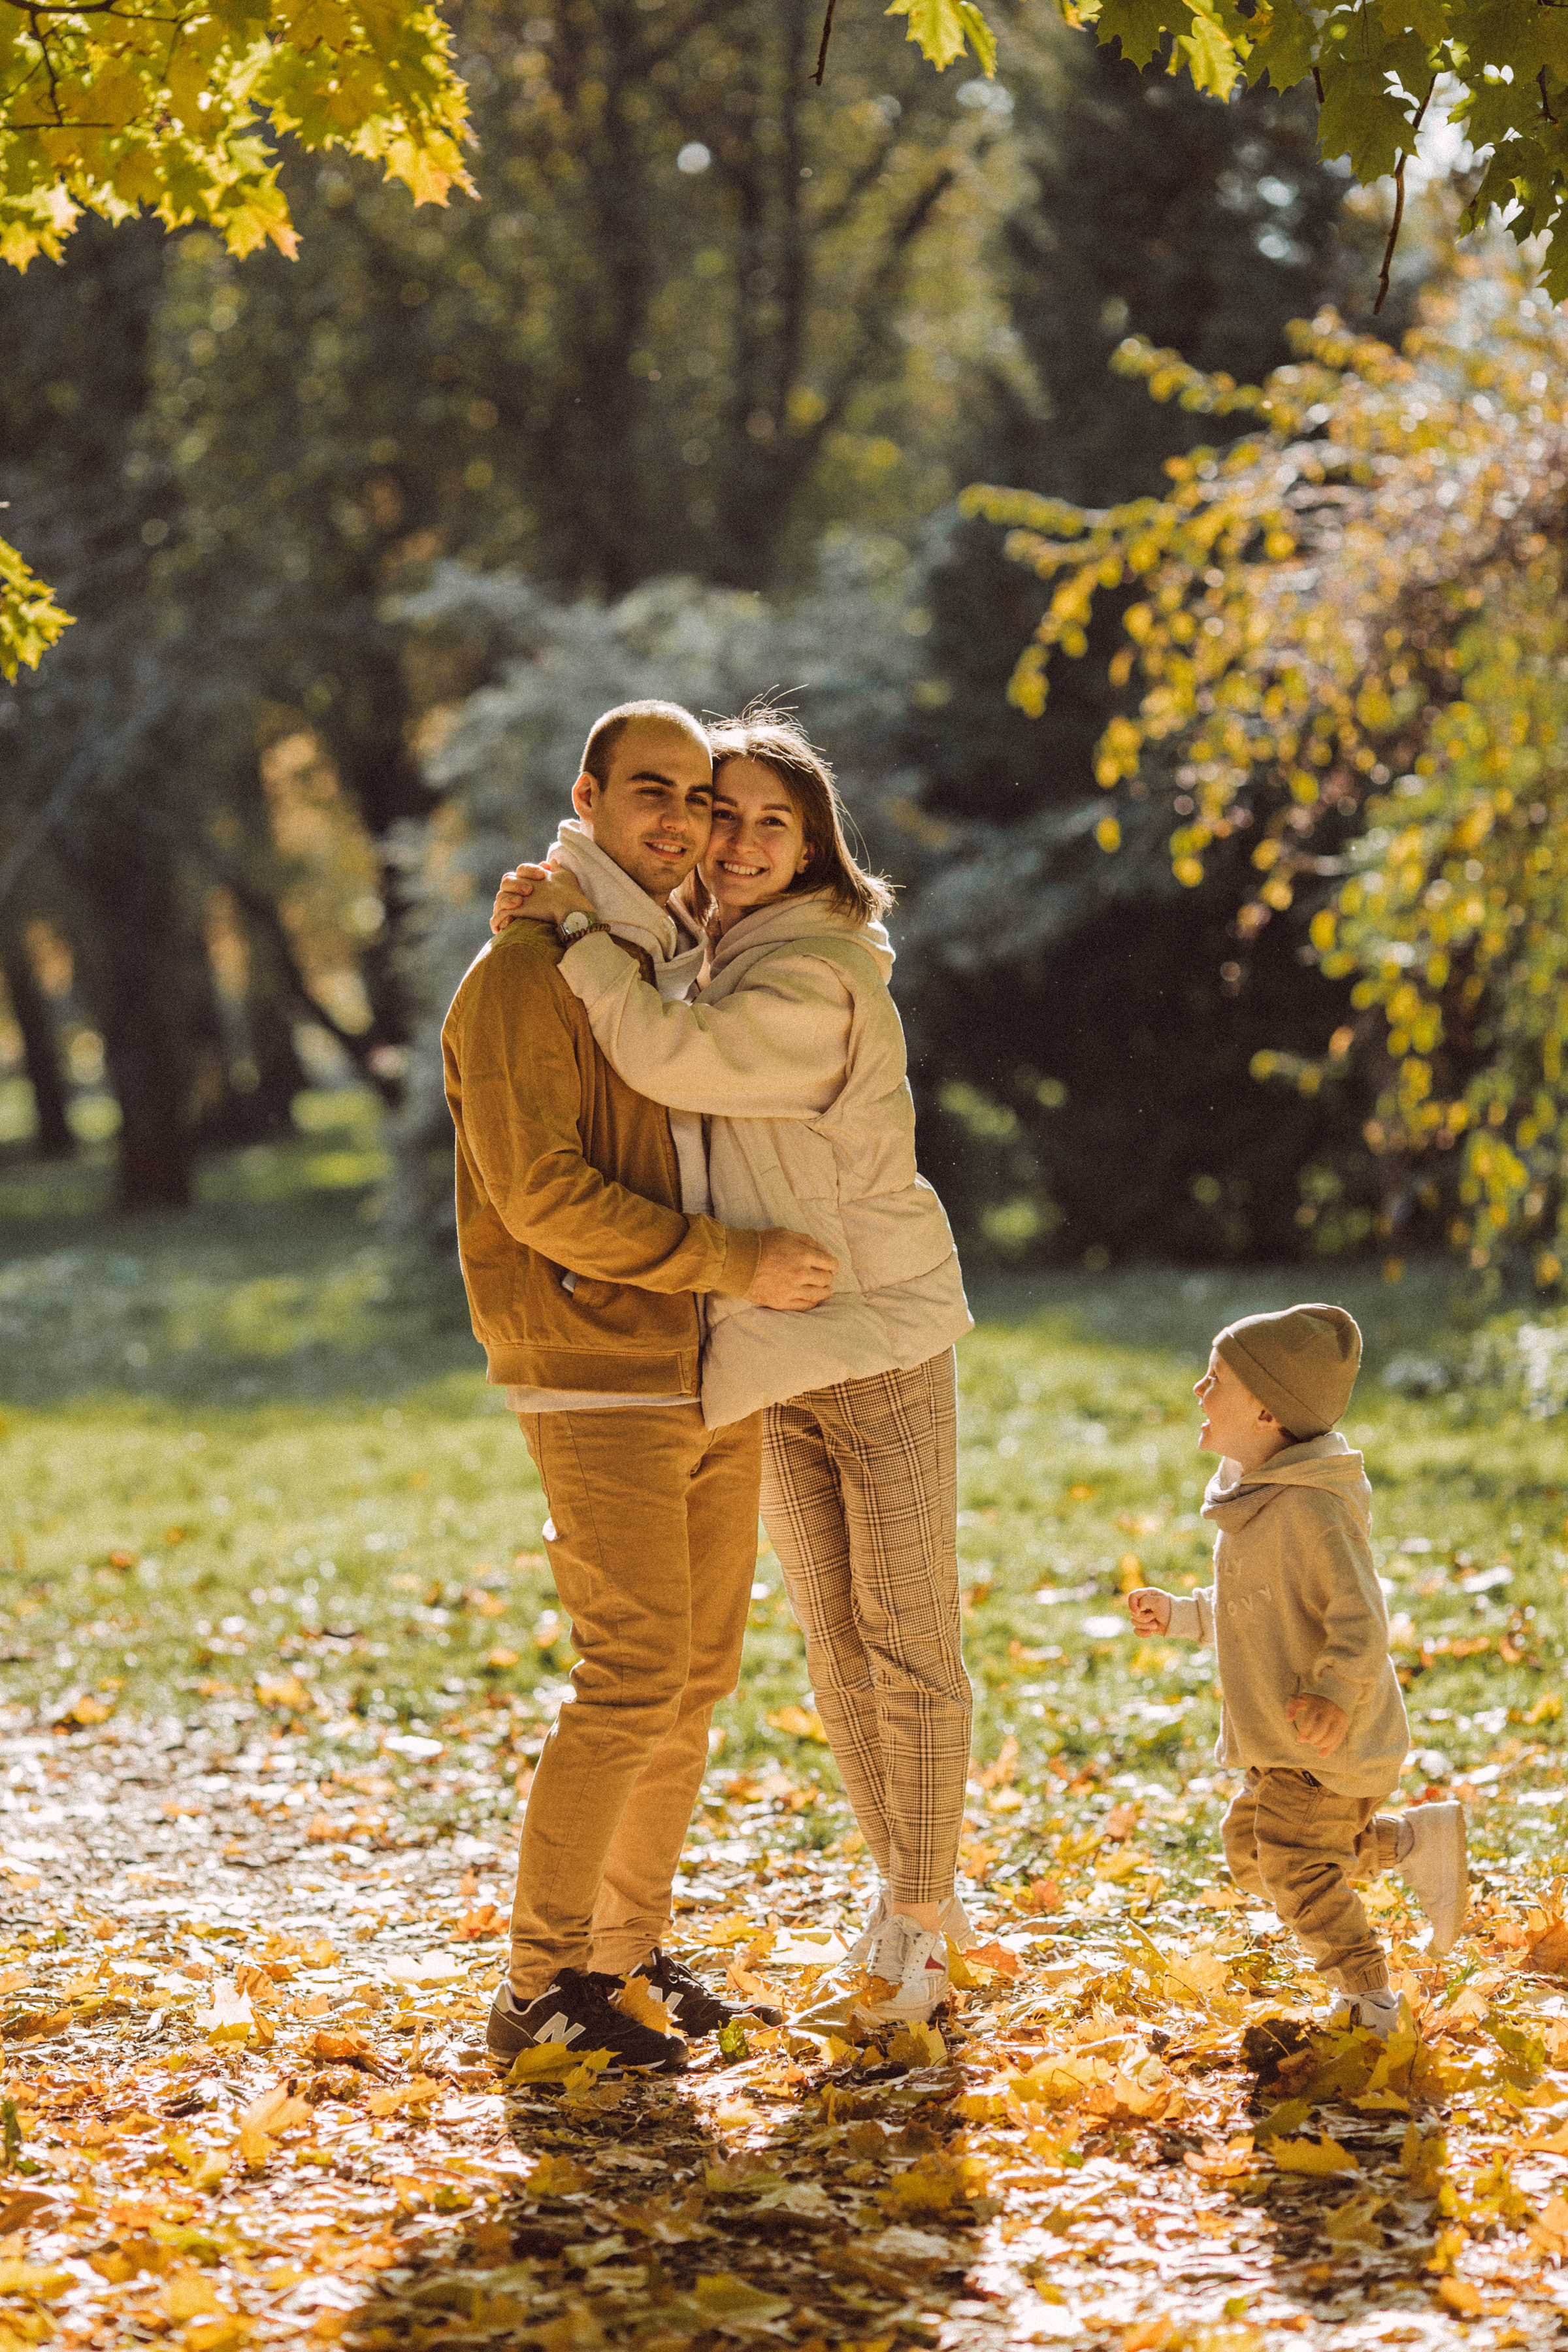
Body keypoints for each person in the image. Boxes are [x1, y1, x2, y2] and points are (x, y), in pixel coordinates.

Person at [491, 708, 975, 2025]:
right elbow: (567, 1154)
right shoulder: (691, 953)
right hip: (735, 1349)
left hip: (859, 1328)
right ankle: (882, 1907)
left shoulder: (804, 974)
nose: (732, 837)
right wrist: (573, 927)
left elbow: (668, 1056)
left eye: (770, 819)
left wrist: (572, 927)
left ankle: (916, 1925)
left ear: (818, 844)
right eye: (719, 812)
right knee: (806, 1650)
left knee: (890, 1642)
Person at [443, 697, 840, 2076]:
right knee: (628, 1679)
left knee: (693, 1681)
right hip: (594, 1366)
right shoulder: (520, 981)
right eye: (653, 794)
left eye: (699, 801)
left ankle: (624, 1959)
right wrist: (730, 1260)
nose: (681, 821)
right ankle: (538, 1982)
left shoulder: (667, 960)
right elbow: (540, 1194)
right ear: (591, 794)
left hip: (703, 1364)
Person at [1126, 1303, 1469, 2035]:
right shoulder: (1260, 1501)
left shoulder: (1314, 1512)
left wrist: (1334, 1694)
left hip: (1321, 1739)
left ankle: (1369, 2000)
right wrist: (1183, 1614)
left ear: (1267, 1411)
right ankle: (1412, 1844)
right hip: (1281, 1741)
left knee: (1293, 1866)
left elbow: (1360, 1615)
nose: (1197, 1391)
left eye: (1214, 1379)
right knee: (1253, 1856)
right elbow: (1260, 1606)